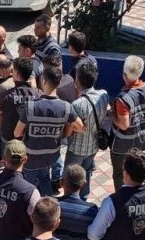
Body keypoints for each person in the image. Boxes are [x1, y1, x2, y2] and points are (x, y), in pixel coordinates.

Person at [14, 66, 81, 197]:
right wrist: (65, 131)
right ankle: (48, 203)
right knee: (45, 178)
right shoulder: (66, 107)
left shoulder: (31, 106)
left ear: (43, 81)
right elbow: (79, 126)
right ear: (58, 83)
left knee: (28, 187)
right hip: (51, 155)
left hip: (31, 157)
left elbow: (17, 133)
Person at [109, 55, 145, 191]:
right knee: (136, 173)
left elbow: (124, 125)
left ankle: (122, 199)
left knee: (120, 174)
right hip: (141, 141)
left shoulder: (122, 99)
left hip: (122, 146)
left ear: (124, 74)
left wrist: (110, 114)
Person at [66, 62, 110, 199]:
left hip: (76, 149)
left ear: (78, 81)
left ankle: (70, 202)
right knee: (86, 174)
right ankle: (84, 199)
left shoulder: (77, 105)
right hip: (93, 146)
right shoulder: (104, 95)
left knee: (70, 180)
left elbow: (68, 132)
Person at [41, 53, 75, 196]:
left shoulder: (54, 87)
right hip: (65, 123)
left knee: (52, 154)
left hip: (54, 124)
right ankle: (56, 179)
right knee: (56, 152)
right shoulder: (70, 79)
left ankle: (53, 180)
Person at [0, 58, 41, 142]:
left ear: (17, 74)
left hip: (10, 140)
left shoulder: (5, 95)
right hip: (30, 140)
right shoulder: (39, 94)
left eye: (13, 70)